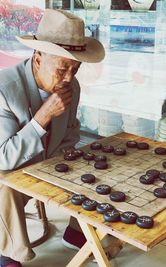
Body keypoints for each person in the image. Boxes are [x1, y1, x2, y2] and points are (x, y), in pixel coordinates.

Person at [0, 8, 105, 267]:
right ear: (38, 58)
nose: (69, 78)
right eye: (62, 68)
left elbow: (70, 132)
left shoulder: (72, 86)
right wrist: (41, 119)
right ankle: (9, 253)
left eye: (75, 68)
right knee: (5, 186)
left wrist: (65, 163)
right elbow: (2, 158)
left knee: (90, 160)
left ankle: (77, 232)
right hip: (9, 167)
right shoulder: (4, 89)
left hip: (45, 162)